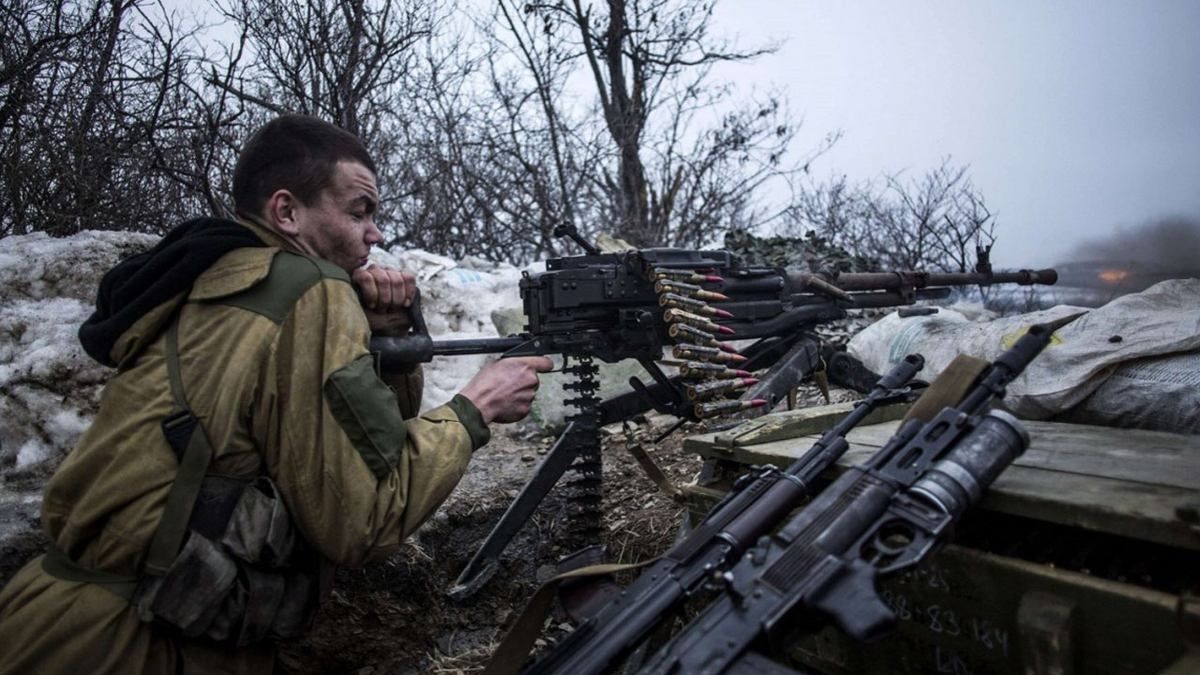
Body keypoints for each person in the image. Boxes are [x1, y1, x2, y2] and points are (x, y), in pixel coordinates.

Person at [0, 114, 553, 673]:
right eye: (358, 212)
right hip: (135, 645)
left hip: (50, 617)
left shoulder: (211, 276)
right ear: (287, 212)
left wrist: (385, 344)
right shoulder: (309, 290)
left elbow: (354, 443)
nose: (376, 234)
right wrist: (474, 410)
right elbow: (362, 520)